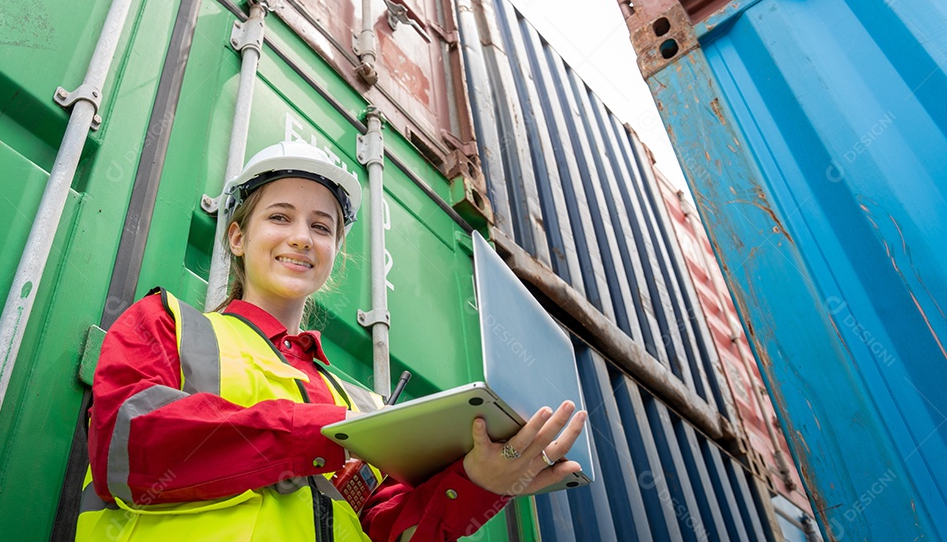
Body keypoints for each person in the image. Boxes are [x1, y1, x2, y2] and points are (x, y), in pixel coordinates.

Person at [75, 141, 588, 541]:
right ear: (237, 237)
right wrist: (324, 433)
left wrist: (476, 482)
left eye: (322, 227)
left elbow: (391, 530)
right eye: (279, 217)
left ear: (335, 252)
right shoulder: (166, 323)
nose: (301, 236)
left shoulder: (361, 405)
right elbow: (128, 448)